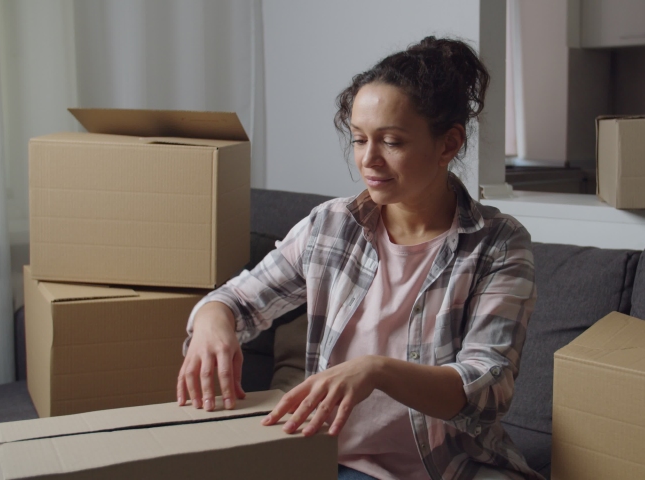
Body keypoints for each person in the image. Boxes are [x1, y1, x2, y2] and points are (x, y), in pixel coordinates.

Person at [177, 36, 541, 480]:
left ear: (448, 145)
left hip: (448, 469)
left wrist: (378, 371)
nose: (369, 160)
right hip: (331, 460)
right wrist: (213, 323)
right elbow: (236, 300)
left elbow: (487, 387)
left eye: (391, 142)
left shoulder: (498, 243)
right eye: (359, 139)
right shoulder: (331, 226)